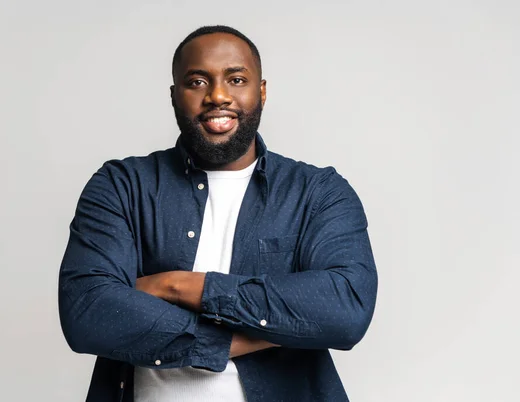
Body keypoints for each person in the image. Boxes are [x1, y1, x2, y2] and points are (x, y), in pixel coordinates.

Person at [59, 25, 378, 402]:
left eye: (237, 79)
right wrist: (247, 336)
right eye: (197, 81)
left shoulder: (317, 193)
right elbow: (88, 313)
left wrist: (178, 286)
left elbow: (344, 310)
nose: (218, 96)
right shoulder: (122, 185)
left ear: (261, 91)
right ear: (175, 95)